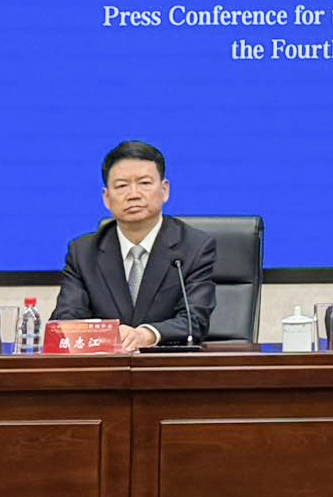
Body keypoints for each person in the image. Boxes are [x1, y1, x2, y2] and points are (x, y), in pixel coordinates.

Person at [50, 141, 218, 351]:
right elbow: (66, 321)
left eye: (144, 183)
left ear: (164, 190)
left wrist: (145, 335)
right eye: (121, 186)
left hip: (168, 364)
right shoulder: (83, 253)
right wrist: (107, 337)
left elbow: (195, 320)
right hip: (106, 366)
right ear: (107, 198)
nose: (134, 194)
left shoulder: (194, 247)